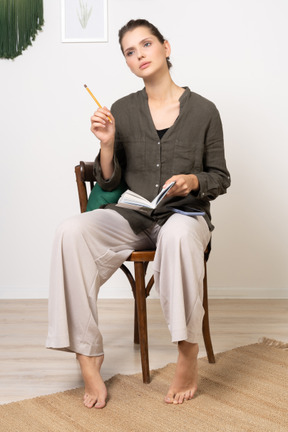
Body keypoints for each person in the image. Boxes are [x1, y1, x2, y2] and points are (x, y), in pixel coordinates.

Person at [46, 18, 230, 409]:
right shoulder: (122, 111)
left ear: (166, 47)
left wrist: (193, 183)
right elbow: (109, 183)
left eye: (146, 45)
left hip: (184, 216)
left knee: (179, 235)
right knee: (70, 231)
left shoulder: (205, 111)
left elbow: (220, 176)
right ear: (127, 62)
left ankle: (186, 352)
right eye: (130, 51)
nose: (139, 55)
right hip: (133, 216)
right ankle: (87, 354)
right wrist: (108, 145)